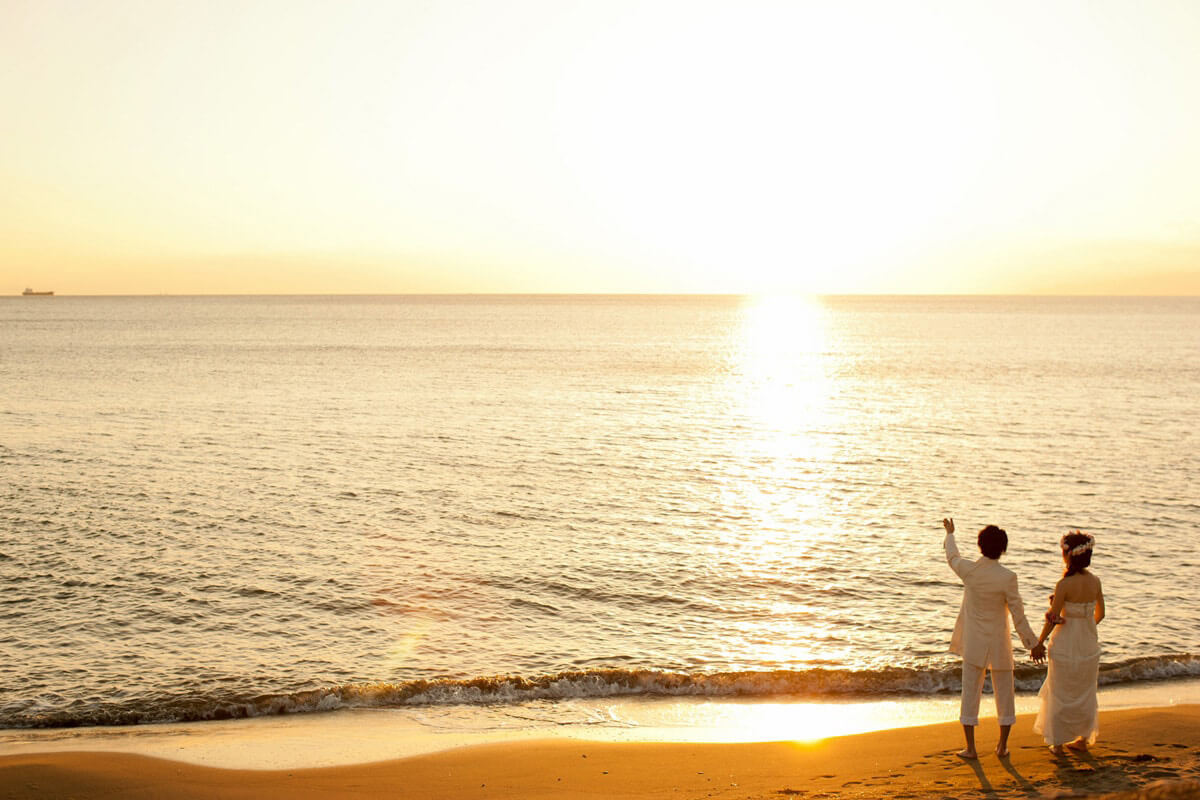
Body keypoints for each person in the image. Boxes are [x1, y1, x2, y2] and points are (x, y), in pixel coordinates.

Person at [941, 517, 1043, 759]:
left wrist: (950, 534)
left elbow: (952, 558)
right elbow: (1018, 615)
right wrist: (1033, 643)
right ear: (1003, 549)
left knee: (970, 695)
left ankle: (971, 749)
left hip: (974, 644)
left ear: (980, 546)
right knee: (1005, 694)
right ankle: (1002, 746)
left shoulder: (970, 571)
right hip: (999, 644)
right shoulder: (1008, 577)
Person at [1033, 530, 1104, 755]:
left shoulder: (1064, 584)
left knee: (1060, 690)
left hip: (1065, 641)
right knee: (1085, 690)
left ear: (1068, 555)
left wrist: (1039, 641)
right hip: (1088, 641)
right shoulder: (1095, 581)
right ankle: (1083, 738)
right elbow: (1100, 614)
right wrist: (1084, 625)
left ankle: (1058, 742)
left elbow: (1053, 618)